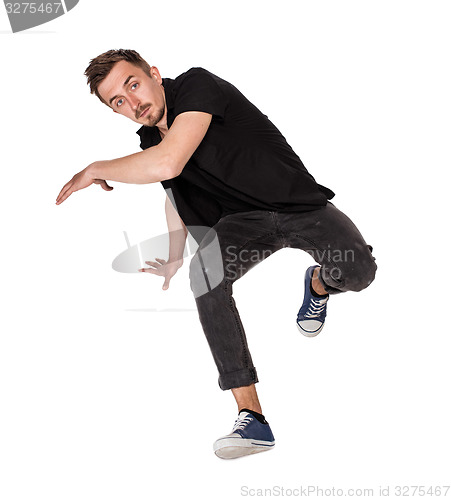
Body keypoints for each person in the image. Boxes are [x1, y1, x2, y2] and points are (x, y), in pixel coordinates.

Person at [56, 49, 377, 460]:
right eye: (118, 101)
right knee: (203, 275)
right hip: (242, 224)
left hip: (296, 204)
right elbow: (174, 192)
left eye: (133, 85)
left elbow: (168, 163)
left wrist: (96, 167)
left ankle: (318, 284)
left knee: (359, 274)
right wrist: (175, 256)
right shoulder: (150, 140)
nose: (133, 103)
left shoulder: (196, 85)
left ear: (153, 74)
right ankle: (252, 418)